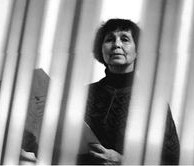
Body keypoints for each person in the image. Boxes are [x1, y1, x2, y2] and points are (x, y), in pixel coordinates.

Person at [77, 18, 180, 165]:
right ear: (101, 49)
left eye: (125, 39)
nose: (116, 45)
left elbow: (171, 161)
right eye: (109, 40)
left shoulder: (153, 101)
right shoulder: (83, 94)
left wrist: (123, 161)